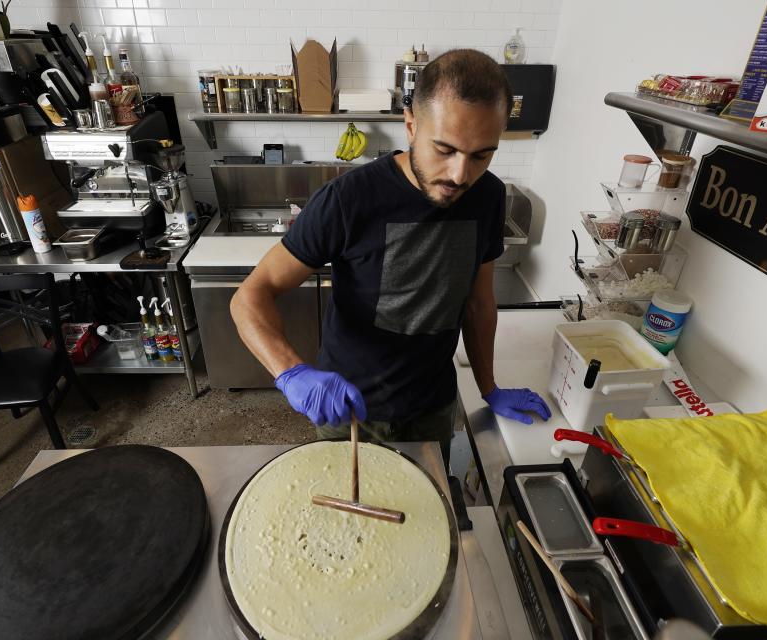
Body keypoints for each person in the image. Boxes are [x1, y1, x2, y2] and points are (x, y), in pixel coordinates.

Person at [230, 49, 551, 468]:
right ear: (411, 124)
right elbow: (252, 294)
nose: (460, 175)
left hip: (433, 406)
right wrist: (290, 371)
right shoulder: (348, 200)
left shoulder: (488, 196)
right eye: (445, 149)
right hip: (348, 408)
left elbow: (478, 302)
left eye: (481, 155)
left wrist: (488, 386)